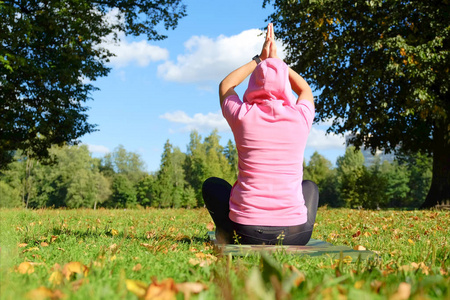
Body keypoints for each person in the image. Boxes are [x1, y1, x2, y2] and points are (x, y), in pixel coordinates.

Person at [202, 23, 319, 245]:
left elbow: (226, 85)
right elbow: (305, 90)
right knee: (310, 187)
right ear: (285, 85)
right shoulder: (300, 117)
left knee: (212, 185)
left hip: (245, 232)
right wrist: (278, 63)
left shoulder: (243, 115)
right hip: (295, 235)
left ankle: (226, 233)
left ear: (253, 85)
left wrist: (260, 60)